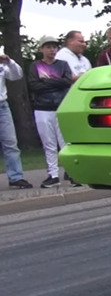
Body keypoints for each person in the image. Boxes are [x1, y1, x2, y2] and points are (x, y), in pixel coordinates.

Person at [28, 36, 75, 188]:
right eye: (48, 47)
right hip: (42, 108)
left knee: (64, 142)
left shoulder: (62, 65)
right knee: (48, 143)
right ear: (42, 49)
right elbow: (34, 86)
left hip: (60, 107)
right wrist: (56, 82)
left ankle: (71, 173)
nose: (52, 50)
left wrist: (46, 81)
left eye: (54, 47)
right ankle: (53, 175)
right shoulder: (36, 66)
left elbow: (67, 81)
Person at [0, 50, 32, 189]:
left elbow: (17, 75)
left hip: (2, 106)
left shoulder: (2, 64)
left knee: (10, 143)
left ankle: (16, 177)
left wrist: (9, 62)